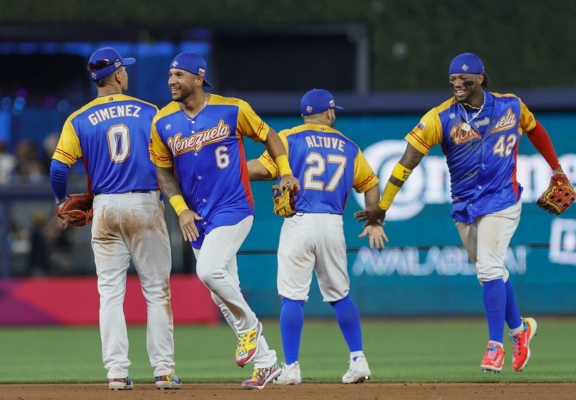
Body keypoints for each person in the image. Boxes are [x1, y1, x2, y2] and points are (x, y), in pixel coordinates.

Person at [356, 53, 575, 374]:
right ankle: (520, 330)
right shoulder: (439, 118)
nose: (457, 84)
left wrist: (556, 168)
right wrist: (383, 206)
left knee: (489, 268)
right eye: (453, 80)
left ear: (480, 78)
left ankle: (494, 345)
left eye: (464, 79)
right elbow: (406, 163)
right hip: (465, 206)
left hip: (503, 200)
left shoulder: (511, 106)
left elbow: (535, 129)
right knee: (491, 270)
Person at [149, 51, 301, 390]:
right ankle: (266, 363)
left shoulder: (233, 109)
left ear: (198, 78)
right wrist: (180, 208)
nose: (172, 81)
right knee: (221, 292)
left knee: (208, 271)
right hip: (196, 215)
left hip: (233, 206)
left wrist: (285, 172)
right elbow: (162, 169)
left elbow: (270, 136)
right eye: (170, 75)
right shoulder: (162, 121)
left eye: (179, 75)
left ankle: (250, 329)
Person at [50, 47, 180, 390]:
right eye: (125, 70)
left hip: (105, 206)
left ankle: (117, 373)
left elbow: (58, 168)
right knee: (156, 291)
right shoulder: (150, 112)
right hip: (144, 203)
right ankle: (164, 371)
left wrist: (61, 200)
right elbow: (173, 158)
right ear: (119, 74)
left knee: (109, 294)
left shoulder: (78, 118)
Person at [247, 88, 388, 385]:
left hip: (299, 221)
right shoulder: (349, 146)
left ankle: (292, 367)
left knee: (292, 297)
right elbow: (371, 184)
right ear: (328, 112)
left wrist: (226, 172)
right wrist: (375, 219)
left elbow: (261, 170)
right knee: (340, 295)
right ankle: (358, 359)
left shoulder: (289, 137)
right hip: (333, 224)